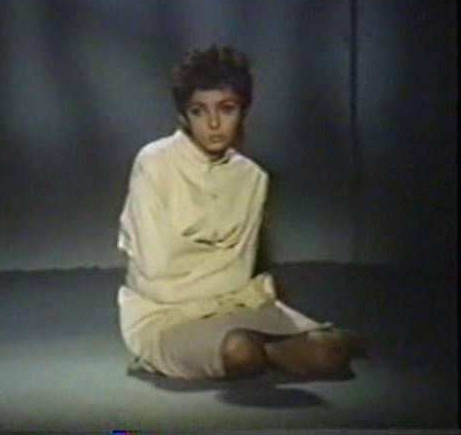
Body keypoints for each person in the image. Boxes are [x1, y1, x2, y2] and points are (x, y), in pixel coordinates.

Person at [116, 45, 364, 380]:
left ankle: (303, 342)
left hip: (236, 305)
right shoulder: (154, 163)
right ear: (184, 116)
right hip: (164, 315)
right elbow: (156, 274)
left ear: (243, 111)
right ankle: (276, 346)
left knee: (325, 354)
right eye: (199, 111)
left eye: (227, 109)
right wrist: (220, 277)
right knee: (239, 352)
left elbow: (239, 272)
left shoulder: (251, 177)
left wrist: (200, 269)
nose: (213, 123)